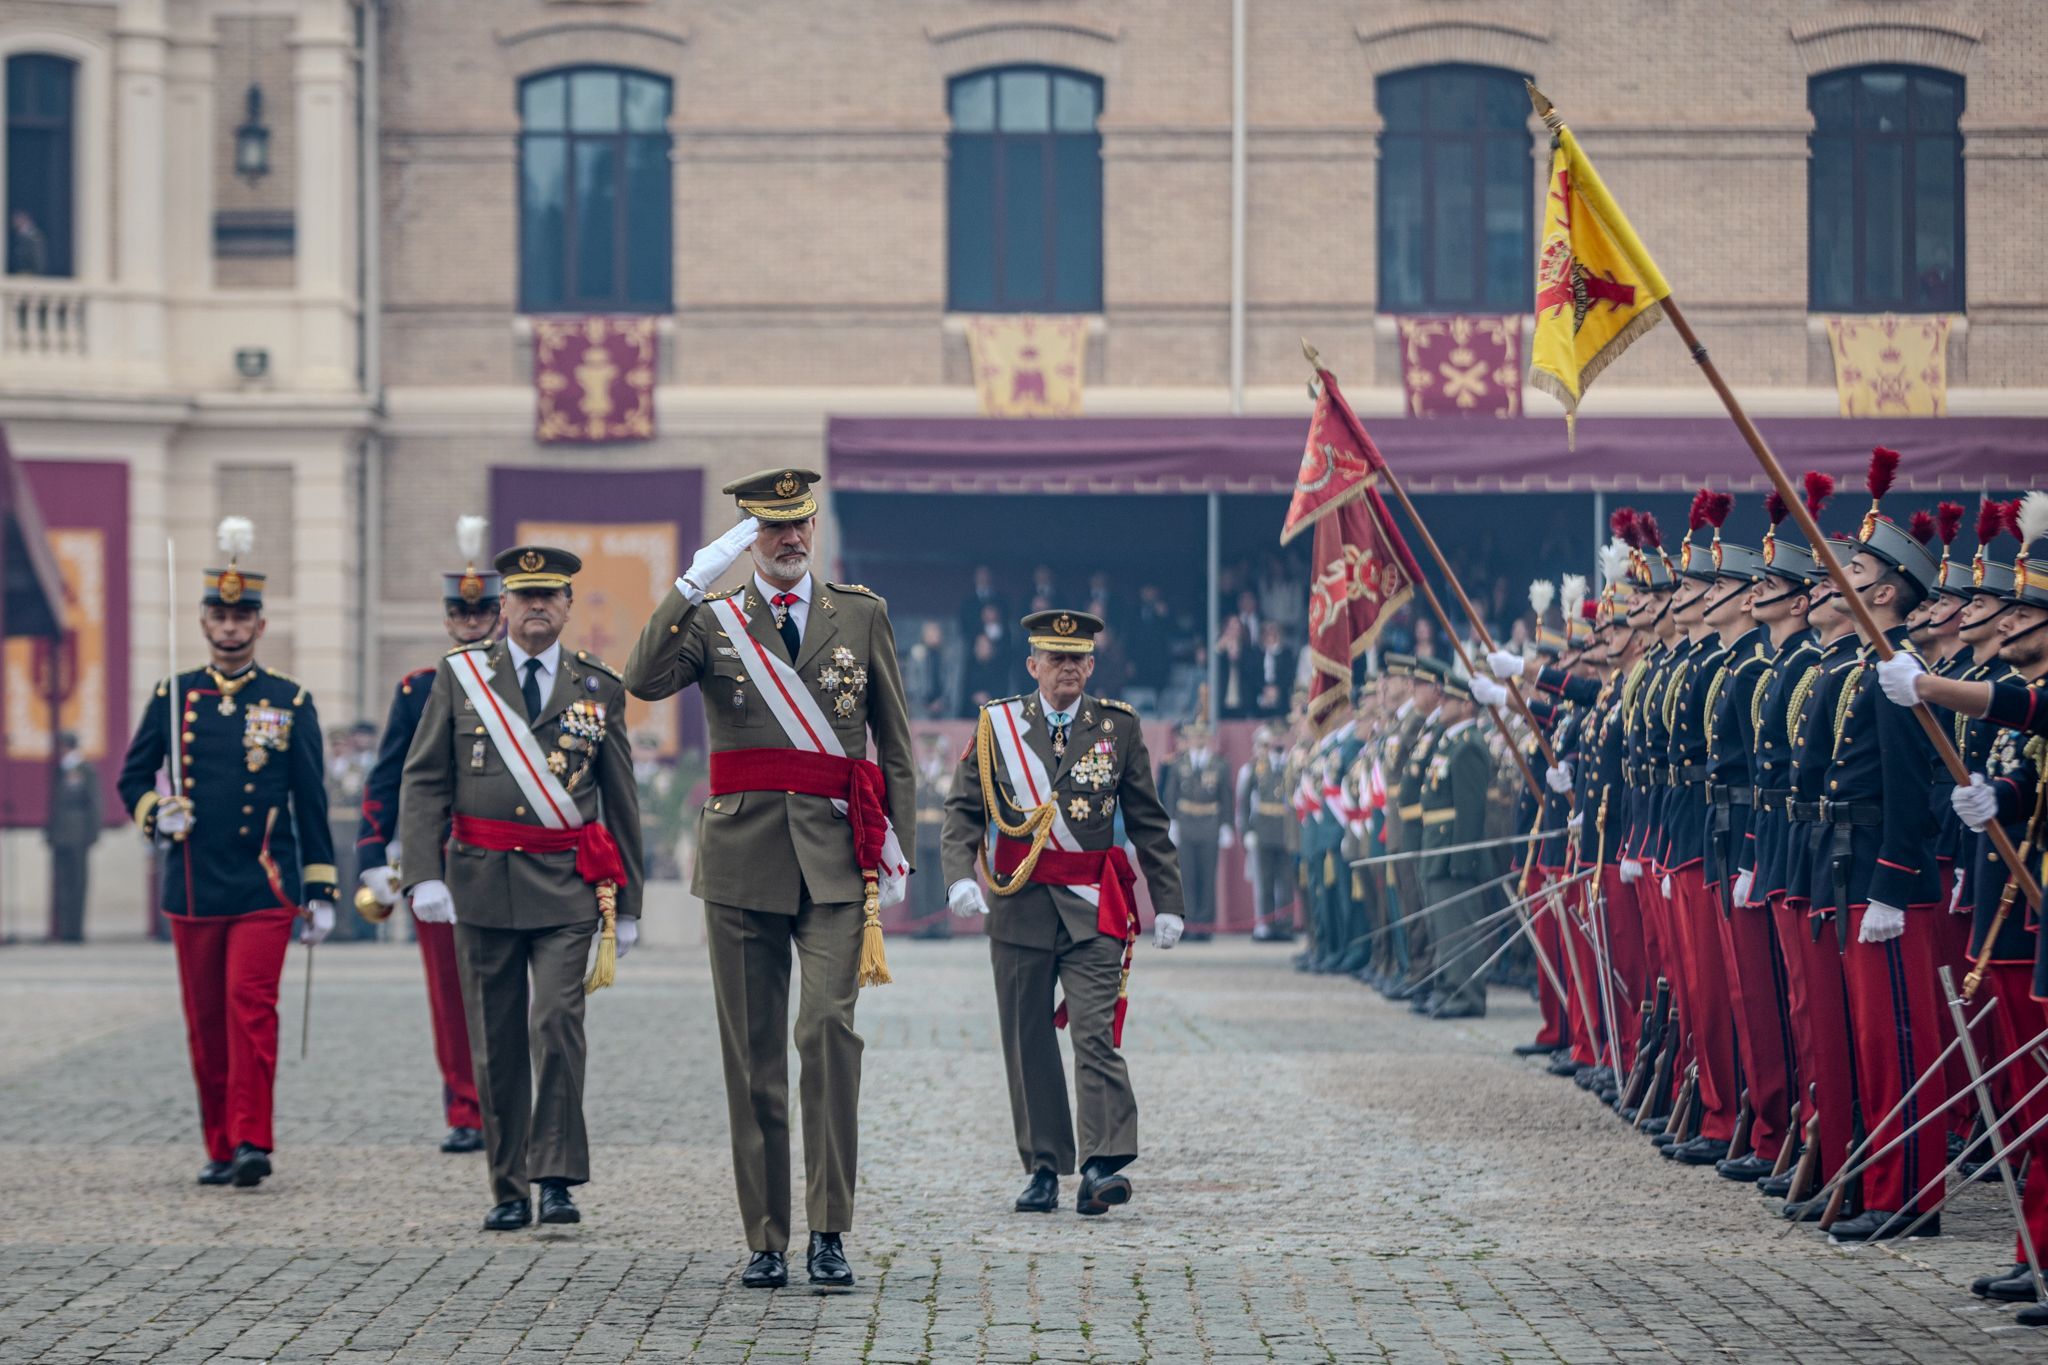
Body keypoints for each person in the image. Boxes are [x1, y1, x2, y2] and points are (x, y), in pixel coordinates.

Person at [624, 468, 914, 1293]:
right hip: (742, 858)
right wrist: (689, 583)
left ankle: (828, 1230)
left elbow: (893, 741)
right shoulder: (712, 619)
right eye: (772, 527)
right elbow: (640, 679)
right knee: (752, 1054)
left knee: (826, 1033)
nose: (789, 539)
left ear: (814, 528)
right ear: (748, 537)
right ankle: (765, 1236)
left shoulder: (860, 614)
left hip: (834, 858)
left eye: (800, 524)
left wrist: (897, 845)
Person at [399, 543, 644, 1233]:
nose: (537, 606)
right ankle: (507, 1185)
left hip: (566, 888)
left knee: (557, 1023)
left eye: (550, 595)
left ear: (568, 607)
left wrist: (627, 904)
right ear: (503, 605)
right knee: (496, 1037)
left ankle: (556, 1177)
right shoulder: (461, 677)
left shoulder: (599, 686)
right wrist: (421, 873)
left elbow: (621, 801)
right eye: (525, 595)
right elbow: (424, 779)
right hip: (480, 882)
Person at [115, 517, 338, 1188]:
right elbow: (131, 778)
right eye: (220, 615)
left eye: (242, 616)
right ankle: (218, 1143)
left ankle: (251, 1140)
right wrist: (157, 813)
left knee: (250, 1007)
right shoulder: (173, 695)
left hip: (264, 884)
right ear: (204, 622)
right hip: (192, 881)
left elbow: (310, 800)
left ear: (260, 625)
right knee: (206, 1022)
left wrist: (320, 888)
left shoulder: (290, 701)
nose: (231, 627)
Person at [942, 609, 1185, 1217]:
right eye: (1056, 658)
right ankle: (1045, 1167)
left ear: (1092, 666)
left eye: (1078, 659)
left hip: (1091, 907)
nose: (1068, 668)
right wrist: (958, 877)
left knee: (1095, 1032)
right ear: (1033, 666)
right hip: (1019, 905)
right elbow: (963, 810)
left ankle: (1102, 1163)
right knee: (1028, 1041)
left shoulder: (1118, 728)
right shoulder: (996, 725)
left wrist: (1169, 903)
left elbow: (1149, 822)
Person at [354, 515, 499, 1155]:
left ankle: (508, 1100)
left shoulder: (522, 682)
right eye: (460, 613)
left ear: (498, 614)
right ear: (446, 618)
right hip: (439, 860)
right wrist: (373, 853)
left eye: (482, 611)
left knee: (512, 986)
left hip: (509, 854)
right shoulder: (418, 689)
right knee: (448, 991)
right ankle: (466, 1108)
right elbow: (388, 778)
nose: (471, 621)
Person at [1415, 671, 1492, 1019]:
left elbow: (1470, 810)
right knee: (1443, 928)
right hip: (1437, 846)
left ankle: (1466, 995)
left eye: (1449, 699)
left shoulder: (1469, 745)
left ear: (1467, 706)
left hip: (1453, 852)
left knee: (1459, 927)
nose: (1441, 703)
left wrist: (1462, 858)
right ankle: (1447, 988)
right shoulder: (1449, 742)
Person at [1160, 718, 1230, 942]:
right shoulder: (1179, 764)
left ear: (1208, 738)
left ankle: (1205, 926)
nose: (1198, 740)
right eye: (1194, 736)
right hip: (1186, 824)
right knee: (1187, 877)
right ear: (1189, 739)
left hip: (1210, 824)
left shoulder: (1219, 764)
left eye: (1202, 736)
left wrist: (1226, 825)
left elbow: (1226, 797)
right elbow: (1171, 794)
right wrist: (1172, 823)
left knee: (1208, 877)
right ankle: (1190, 925)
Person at [1237, 723, 1296, 941]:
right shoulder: (1255, 768)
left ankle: (1285, 926)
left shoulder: (1292, 764)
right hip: (1262, 831)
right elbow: (1243, 804)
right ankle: (1265, 925)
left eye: (1280, 737)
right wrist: (1246, 831)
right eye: (1273, 738)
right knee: (1264, 883)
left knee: (1286, 883)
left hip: (1285, 831)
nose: (1277, 742)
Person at [46, 730, 101, 942]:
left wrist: (93, 833)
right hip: (60, 833)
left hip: (79, 833)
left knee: (77, 883)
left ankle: (75, 931)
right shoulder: (59, 770)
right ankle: (64, 930)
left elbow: (94, 802)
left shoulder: (85, 769)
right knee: (61, 884)